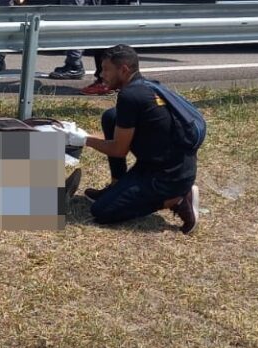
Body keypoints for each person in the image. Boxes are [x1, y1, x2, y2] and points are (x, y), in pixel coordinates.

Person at [65, 44, 199, 233]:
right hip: (161, 163)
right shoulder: (148, 85)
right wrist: (80, 132)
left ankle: (177, 199)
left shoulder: (130, 96)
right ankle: (117, 183)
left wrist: (84, 140)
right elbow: (121, 136)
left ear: (124, 69)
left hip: (168, 176)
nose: (101, 74)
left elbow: (119, 149)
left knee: (101, 211)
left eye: (106, 70)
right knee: (111, 116)